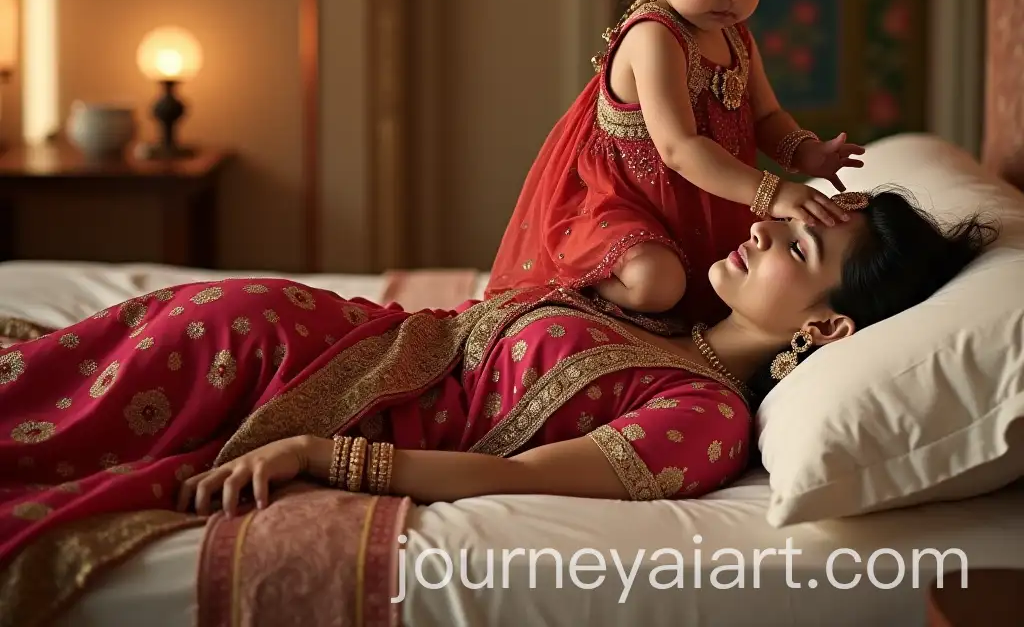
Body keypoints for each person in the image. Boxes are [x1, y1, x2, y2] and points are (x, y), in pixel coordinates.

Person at [1, 189, 994, 626]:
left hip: (303, 389)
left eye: (798, 248)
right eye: (783, 215)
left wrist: (321, 453)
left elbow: (510, 477)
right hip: (312, 331)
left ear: (823, 333)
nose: (765, 228)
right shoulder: (673, 293)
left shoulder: (702, 417)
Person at [484, 0, 865, 326]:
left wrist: (806, 152)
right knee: (657, 283)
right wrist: (775, 192)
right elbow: (678, 149)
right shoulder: (654, 36)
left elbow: (767, 117)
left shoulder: (734, 36)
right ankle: (576, 284)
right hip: (623, 206)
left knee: (711, 289)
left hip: (692, 209)